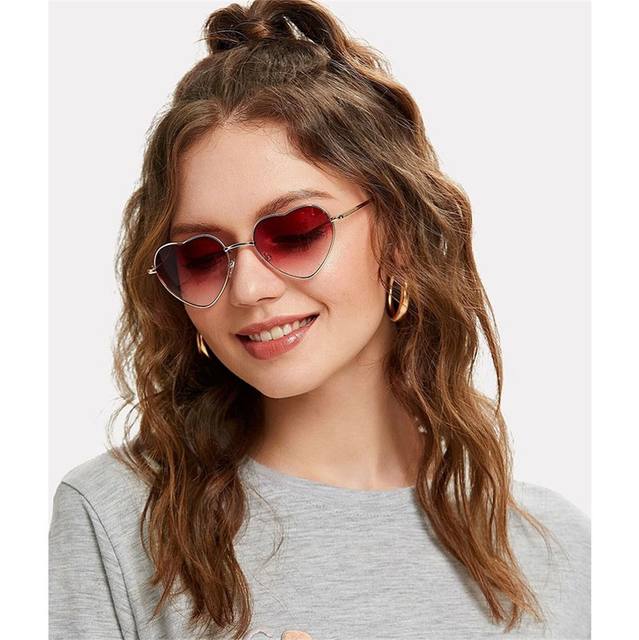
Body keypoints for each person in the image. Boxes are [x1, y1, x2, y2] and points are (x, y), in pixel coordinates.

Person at [49, 1, 590, 639]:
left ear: (400, 234)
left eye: (295, 232)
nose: (248, 288)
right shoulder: (116, 520)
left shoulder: (561, 553)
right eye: (201, 257)